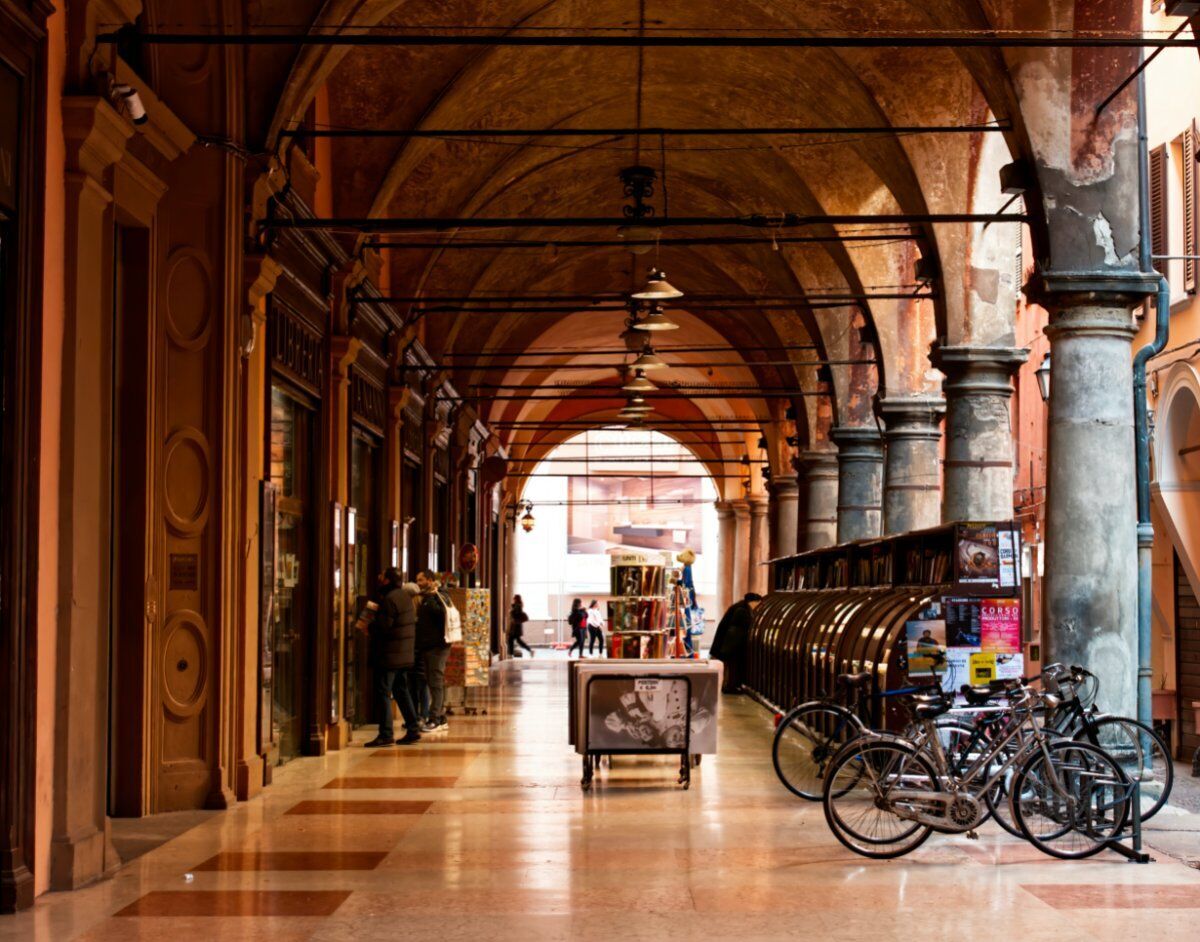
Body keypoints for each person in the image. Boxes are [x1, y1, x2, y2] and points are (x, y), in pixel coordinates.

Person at [359, 567, 421, 746]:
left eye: (382, 576)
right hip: (403, 654)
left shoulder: (390, 599)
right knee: (401, 691)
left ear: (387, 580)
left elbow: (384, 627)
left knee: (383, 692)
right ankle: (413, 728)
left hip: (390, 655)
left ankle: (386, 734)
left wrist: (368, 628)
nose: (379, 578)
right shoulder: (404, 597)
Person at [415, 569, 452, 731]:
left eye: (421, 580)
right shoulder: (425, 598)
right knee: (432, 682)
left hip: (438, 646)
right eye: (417, 580)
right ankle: (441, 716)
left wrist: (433, 598)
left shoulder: (439, 596)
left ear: (430, 580)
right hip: (428, 646)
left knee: (435, 682)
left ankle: (435, 718)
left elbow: (443, 615)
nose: (418, 583)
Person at [709, 592, 763, 694]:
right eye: (758, 603)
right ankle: (730, 687)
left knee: (730, 667)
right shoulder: (742, 611)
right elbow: (737, 631)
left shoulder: (741, 607)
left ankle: (730, 686)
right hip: (731, 645)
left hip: (728, 644)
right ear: (753, 602)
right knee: (732, 667)